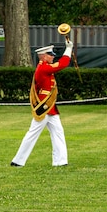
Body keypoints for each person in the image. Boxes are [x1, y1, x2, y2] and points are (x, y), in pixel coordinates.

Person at [11, 39, 73, 167]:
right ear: (44, 56)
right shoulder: (43, 68)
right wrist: (69, 49)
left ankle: (60, 161)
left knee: (58, 132)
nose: (53, 57)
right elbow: (62, 64)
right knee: (33, 133)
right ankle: (18, 161)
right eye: (50, 55)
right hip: (44, 106)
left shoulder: (45, 67)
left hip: (50, 107)